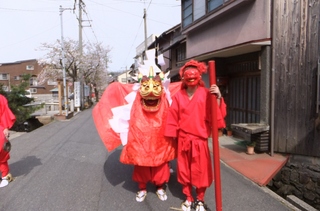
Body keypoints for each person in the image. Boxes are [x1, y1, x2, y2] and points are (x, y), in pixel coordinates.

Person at [164, 59, 227, 211]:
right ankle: (188, 198)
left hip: (200, 140)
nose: (191, 77)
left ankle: (199, 199)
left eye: (194, 73)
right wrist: (171, 139)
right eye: (188, 74)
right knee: (184, 171)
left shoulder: (207, 94)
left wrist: (218, 97)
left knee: (201, 172)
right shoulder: (179, 96)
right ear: (183, 77)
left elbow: (217, 115)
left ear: (199, 75)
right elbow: (172, 117)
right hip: (184, 140)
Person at [0, 94, 16, 188]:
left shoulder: (0, 98)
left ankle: (5, 176)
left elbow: (4, 113)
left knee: (1, 153)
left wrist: (5, 128)